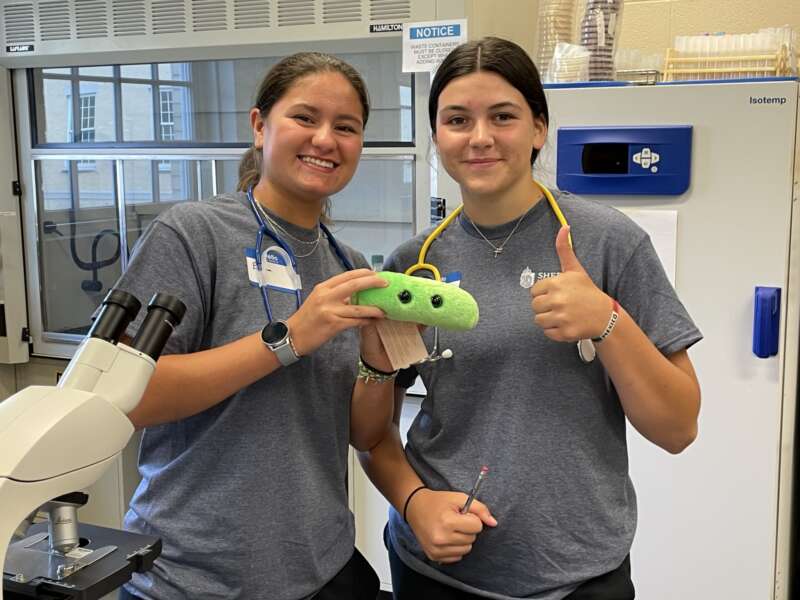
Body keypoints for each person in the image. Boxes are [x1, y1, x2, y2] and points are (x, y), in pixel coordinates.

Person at [359, 37, 702, 600]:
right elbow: (372, 435)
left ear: (539, 129)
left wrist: (607, 320)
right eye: (457, 120)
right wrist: (413, 504)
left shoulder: (608, 243)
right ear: (437, 136)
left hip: (578, 574)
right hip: (436, 573)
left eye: (503, 116)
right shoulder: (416, 268)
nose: (480, 137)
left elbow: (678, 427)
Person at [113, 52, 399, 600]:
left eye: (347, 127)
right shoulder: (195, 234)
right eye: (305, 118)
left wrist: (377, 360)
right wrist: (288, 339)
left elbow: (363, 434)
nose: (325, 140)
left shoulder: (349, 265)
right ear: (260, 124)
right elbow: (128, 396)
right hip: (193, 577)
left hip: (322, 568)